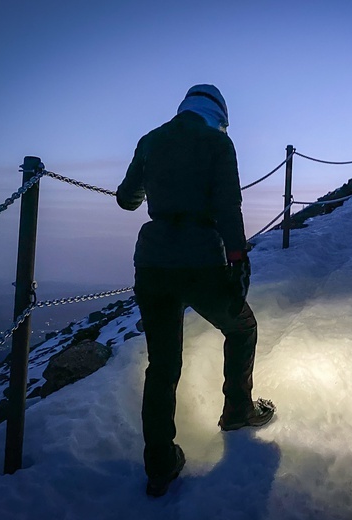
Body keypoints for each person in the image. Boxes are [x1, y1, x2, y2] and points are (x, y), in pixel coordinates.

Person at [116, 84, 276, 497]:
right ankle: (238, 409)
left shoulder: (150, 140)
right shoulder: (217, 144)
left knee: (162, 365)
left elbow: (126, 200)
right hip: (201, 262)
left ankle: (160, 464)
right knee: (241, 327)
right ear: (218, 115)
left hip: (152, 264)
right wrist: (238, 259)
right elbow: (228, 206)